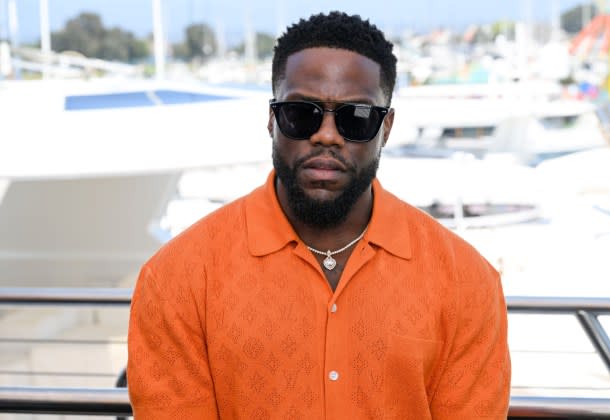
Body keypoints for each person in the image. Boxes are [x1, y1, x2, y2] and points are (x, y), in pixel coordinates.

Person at [127, 11, 511, 419]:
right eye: (302, 113)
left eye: (356, 118)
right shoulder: (179, 278)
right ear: (272, 118)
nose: (326, 135)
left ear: (387, 127)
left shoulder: (465, 280)